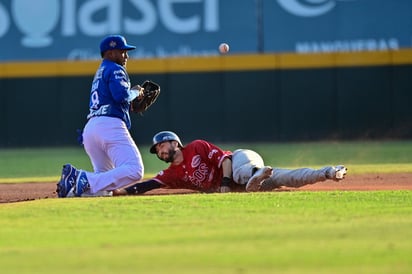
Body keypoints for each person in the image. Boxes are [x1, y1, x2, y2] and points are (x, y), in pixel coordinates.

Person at [113, 131, 348, 196]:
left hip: (239, 160)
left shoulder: (196, 146)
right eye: (157, 150)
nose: (160, 151)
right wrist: (121, 191)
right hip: (243, 185)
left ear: (174, 143)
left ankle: (256, 175)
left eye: (162, 146)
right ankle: (328, 172)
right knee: (286, 179)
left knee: (241, 173)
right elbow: (150, 184)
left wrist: (224, 181)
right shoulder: (172, 172)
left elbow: (224, 159)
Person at [56, 34, 145, 198]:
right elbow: (121, 96)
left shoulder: (101, 71)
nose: (126, 55)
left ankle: (73, 188)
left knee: (104, 188)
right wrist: (135, 92)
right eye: (122, 51)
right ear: (111, 53)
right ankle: (82, 178)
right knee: (135, 169)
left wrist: (129, 106)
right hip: (109, 126)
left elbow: (114, 100)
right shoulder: (116, 69)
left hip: (91, 129)